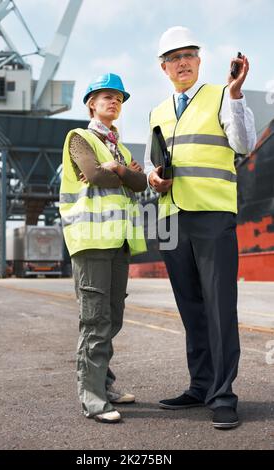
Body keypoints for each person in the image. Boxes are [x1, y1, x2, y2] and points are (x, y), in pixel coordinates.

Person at [144, 27, 256, 429]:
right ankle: (201, 385)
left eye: (189, 54)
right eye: (174, 58)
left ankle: (223, 395)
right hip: (171, 218)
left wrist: (238, 95)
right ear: (164, 67)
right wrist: (151, 178)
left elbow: (242, 144)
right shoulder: (157, 111)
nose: (183, 62)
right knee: (191, 308)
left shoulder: (223, 96)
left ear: (199, 59)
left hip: (211, 215)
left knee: (219, 307)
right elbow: (147, 164)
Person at [59, 73, 147, 423]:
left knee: (113, 317)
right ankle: (93, 398)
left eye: (119, 98)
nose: (114, 102)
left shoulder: (120, 148)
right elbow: (95, 175)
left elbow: (139, 183)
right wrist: (118, 172)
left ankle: (104, 382)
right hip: (91, 241)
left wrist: (120, 168)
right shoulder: (79, 138)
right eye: (107, 96)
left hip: (119, 241)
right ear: (91, 103)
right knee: (95, 320)